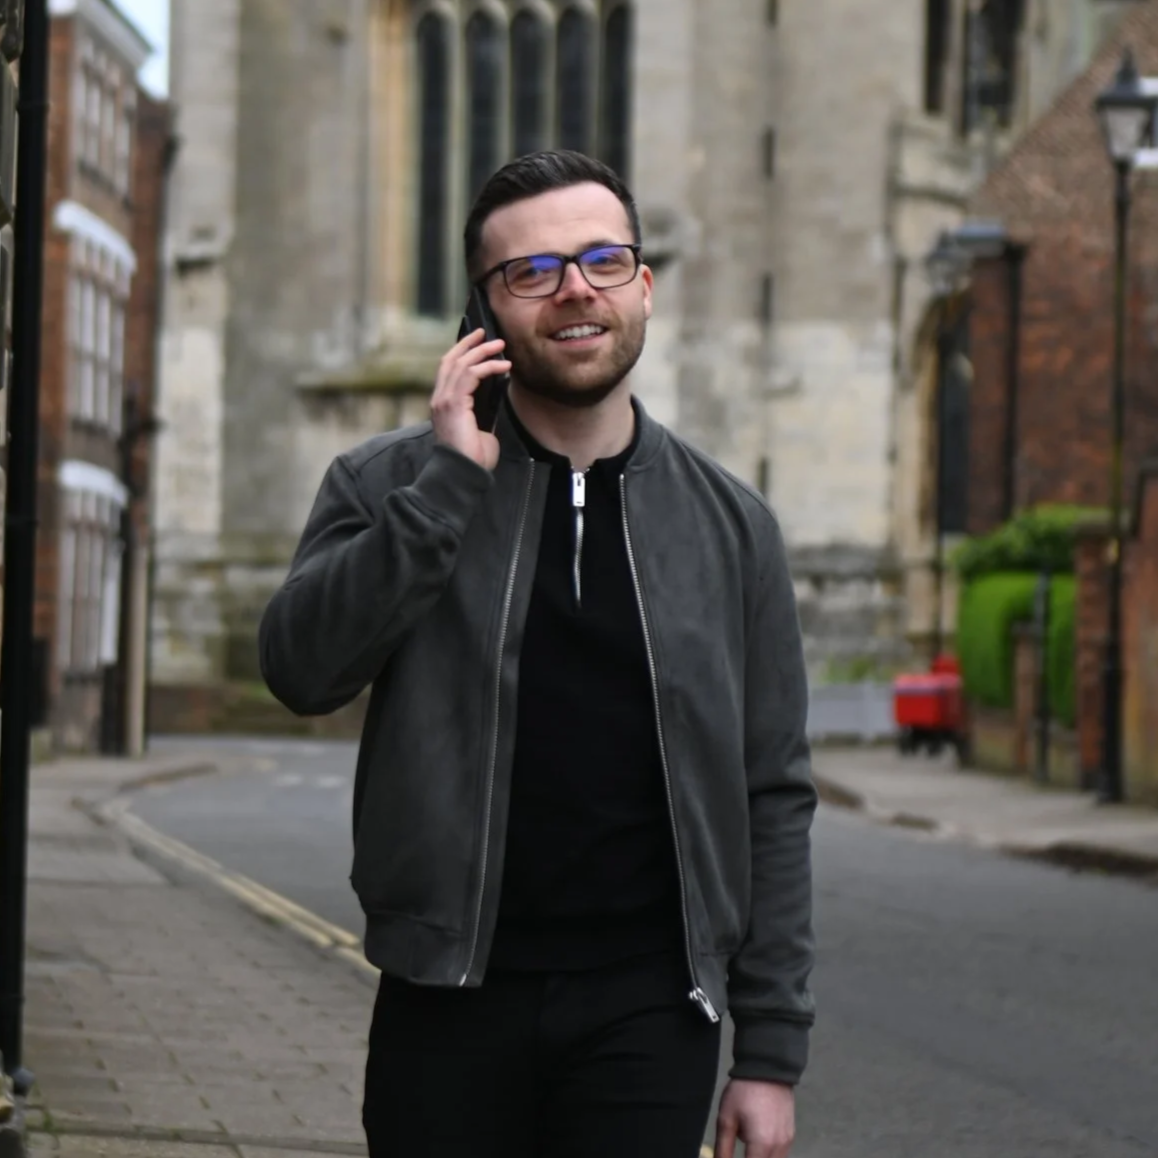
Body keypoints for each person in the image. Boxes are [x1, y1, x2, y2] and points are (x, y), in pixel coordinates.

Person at [259, 149, 817, 1158]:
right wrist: (443, 491)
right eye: (532, 271)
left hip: (651, 1011)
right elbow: (302, 671)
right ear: (482, 314)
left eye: (603, 260)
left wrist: (769, 1051)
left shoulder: (733, 526)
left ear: (643, 286)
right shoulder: (386, 485)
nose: (575, 290)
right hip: (447, 998)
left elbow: (771, 790)